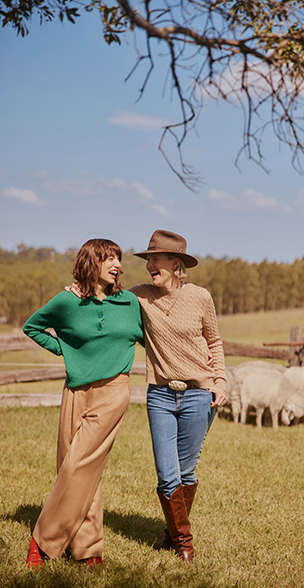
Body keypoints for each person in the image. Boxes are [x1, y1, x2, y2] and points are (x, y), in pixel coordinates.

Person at [23, 239, 144, 569]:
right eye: (108, 258)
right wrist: (63, 349)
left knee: (79, 465)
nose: (117, 264)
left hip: (113, 391)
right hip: (75, 391)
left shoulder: (129, 302)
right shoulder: (67, 301)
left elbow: (157, 336)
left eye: (118, 258)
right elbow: (32, 326)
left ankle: (44, 541)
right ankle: (88, 549)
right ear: (91, 263)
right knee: (77, 468)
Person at [130, 229, 227, 563]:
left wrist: (221, 381)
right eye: (148, 260)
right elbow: (106, 299)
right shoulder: (139, 296)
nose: (149, 265)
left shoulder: (200, 296)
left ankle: (170, 536)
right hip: (160, 395)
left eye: (155, 259)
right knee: (167, 473)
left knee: (186, 473)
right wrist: (79, 289)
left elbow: (214, 342)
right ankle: (184, 544)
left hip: (200, 395)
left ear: (175, 263)